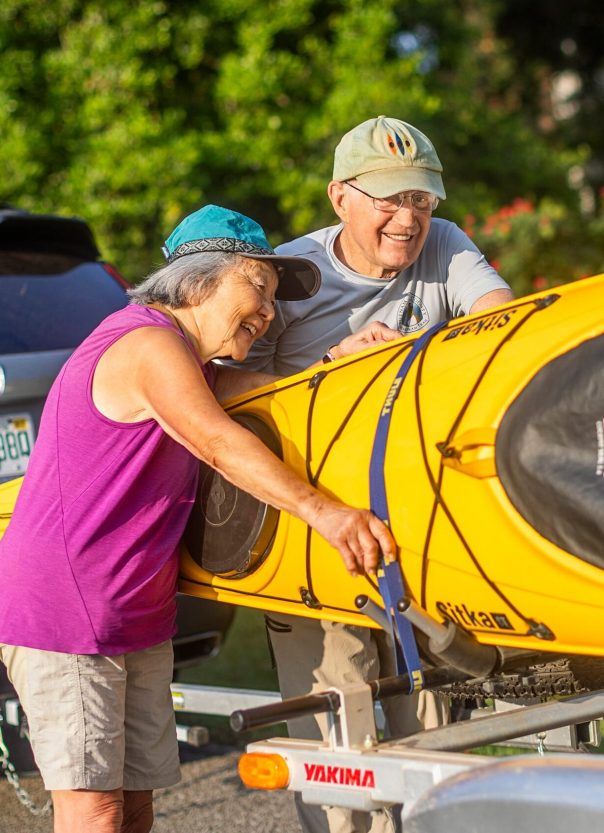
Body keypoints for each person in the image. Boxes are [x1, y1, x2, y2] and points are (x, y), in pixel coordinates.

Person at [0, 204, 399, 833]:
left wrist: (337, 361)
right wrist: (328, 514)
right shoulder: (147, 343)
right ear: (198, 280)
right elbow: (220, 443)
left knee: (135, 809)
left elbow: (274, 390)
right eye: (258, 289)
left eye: (273, 299)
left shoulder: (195, 364)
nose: (269, 312)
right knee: (95, 813)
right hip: (70, 611)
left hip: (133, 611)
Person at [236, 115, 514, 833]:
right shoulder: (289, 275)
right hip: (314, 531)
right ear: (340, 198)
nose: (408, 217)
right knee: (340, 735)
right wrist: (332, 374)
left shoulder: (445, 244)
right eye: (388, 199)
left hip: (419, 526)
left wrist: (414, 356)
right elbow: (233, 402)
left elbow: (501, 326)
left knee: (427, 727)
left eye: (421, 199)